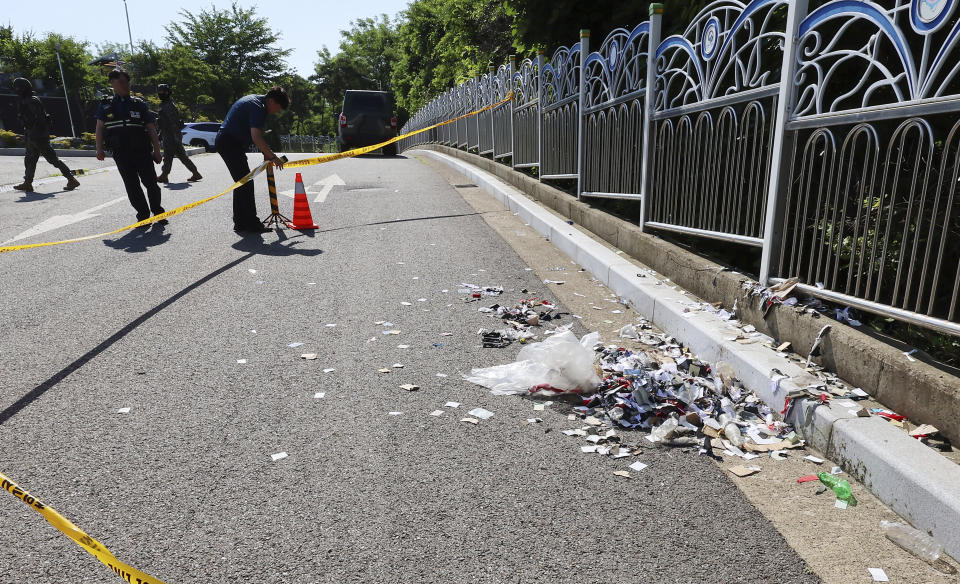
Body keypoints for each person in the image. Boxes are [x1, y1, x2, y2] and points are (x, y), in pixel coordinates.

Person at [95, 69, 167, 225]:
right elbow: (99, 128)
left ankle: (158, 212)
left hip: (141, 151)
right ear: (112, 83)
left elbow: (151, 128)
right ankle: (143, 215)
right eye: (121, 82)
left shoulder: (138, 103)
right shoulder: (106, 105)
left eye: (127, 82)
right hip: (121, 153)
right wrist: (99, 148)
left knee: (151, 183)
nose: (125, 85)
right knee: (132, 185)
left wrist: (157, 150)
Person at [215, 86, 288, 234]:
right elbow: (256, 137)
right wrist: (273, 157)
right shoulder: (258, 107)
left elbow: (256, 135)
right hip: (229, 142)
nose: (276, 112)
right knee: (246, 182)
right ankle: (252, 224)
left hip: (230, 142)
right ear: (271, 101)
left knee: (242, 182)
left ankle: (240, 222)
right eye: (278, 108)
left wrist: (266, 153)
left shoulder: (256, 101)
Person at [11, 78, 80, 192]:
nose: (17, 90)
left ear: (25, 87)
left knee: (53, 159)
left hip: (38, 137)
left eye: (19, 87)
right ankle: (28, 183)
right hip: (31, 135)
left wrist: (35, 134)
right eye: (16, 87)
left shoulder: (32, 101)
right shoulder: (25, 100)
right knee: (29, 160)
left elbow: (41, 119)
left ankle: (71, 179)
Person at [155, 83, 202, 183]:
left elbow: (173, 123)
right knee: (182, 156)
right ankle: (195, 173)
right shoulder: (165, 104)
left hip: (171, 134)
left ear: (168, 92)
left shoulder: (168, 105)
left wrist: (173, 136)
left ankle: (164, 175)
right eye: (159, 92)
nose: (160, 94)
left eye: (162, 92)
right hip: (170, 133)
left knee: (168, 155)